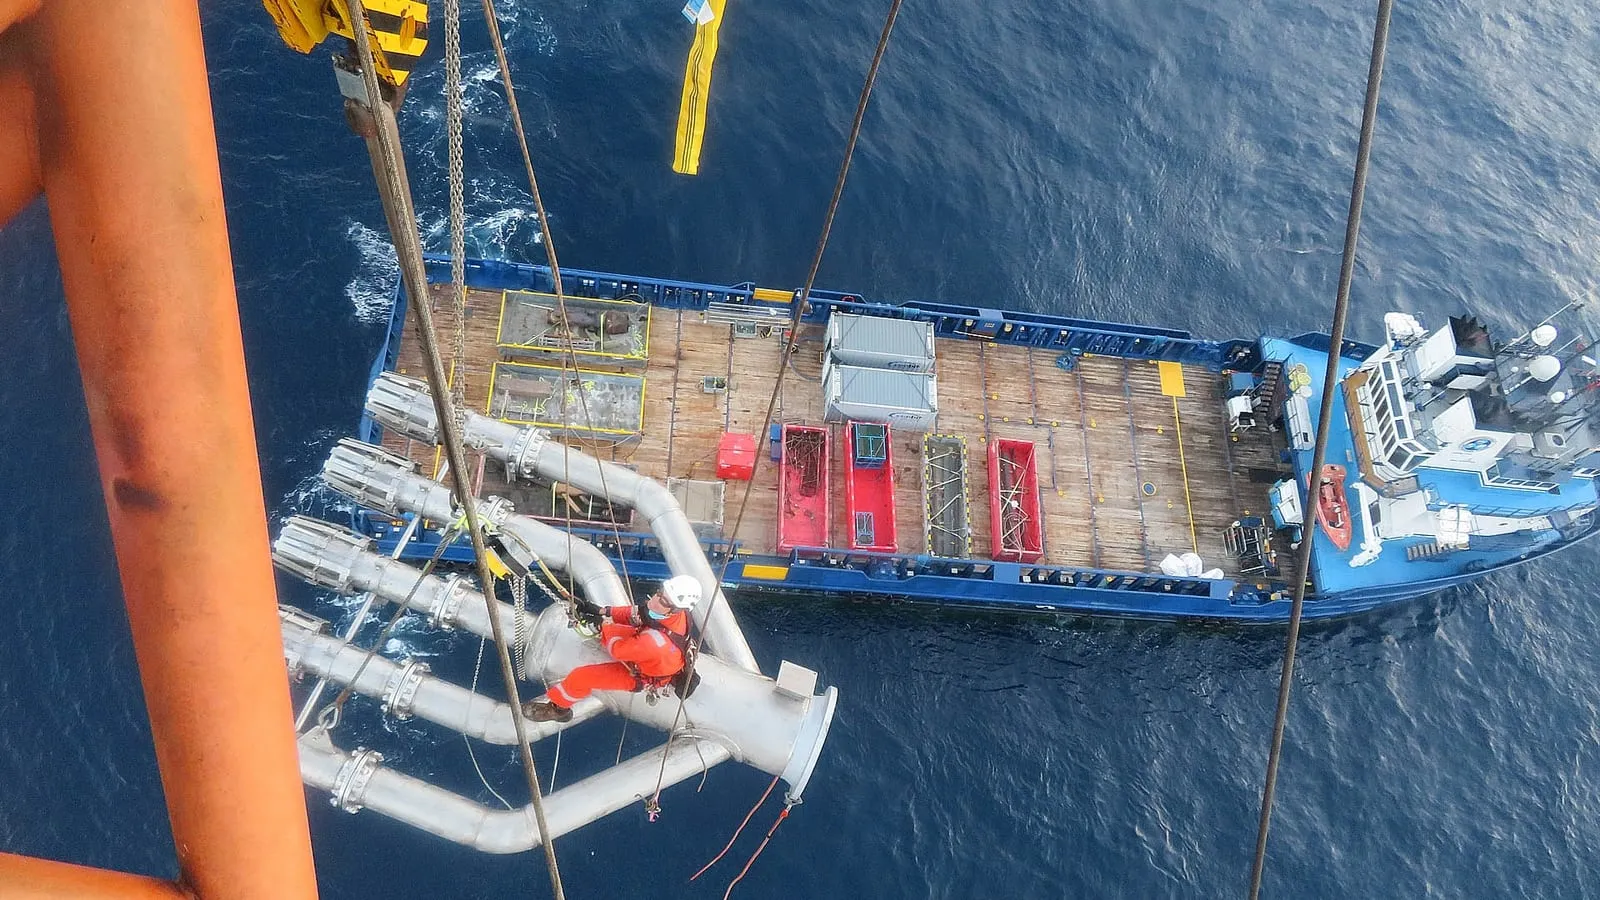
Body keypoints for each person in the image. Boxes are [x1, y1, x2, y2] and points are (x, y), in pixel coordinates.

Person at [522, 574, 701, 723]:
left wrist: (604, 626)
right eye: (659, 594)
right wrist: (602, 611)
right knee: (616, 630)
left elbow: (617, 650)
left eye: (664, 602)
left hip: (645, 675)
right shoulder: (672, 614)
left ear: (676, 609)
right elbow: (638, 613)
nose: (655, 601)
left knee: (580, 677)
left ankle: (559, 710)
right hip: (655, 654)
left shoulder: (653, 642)